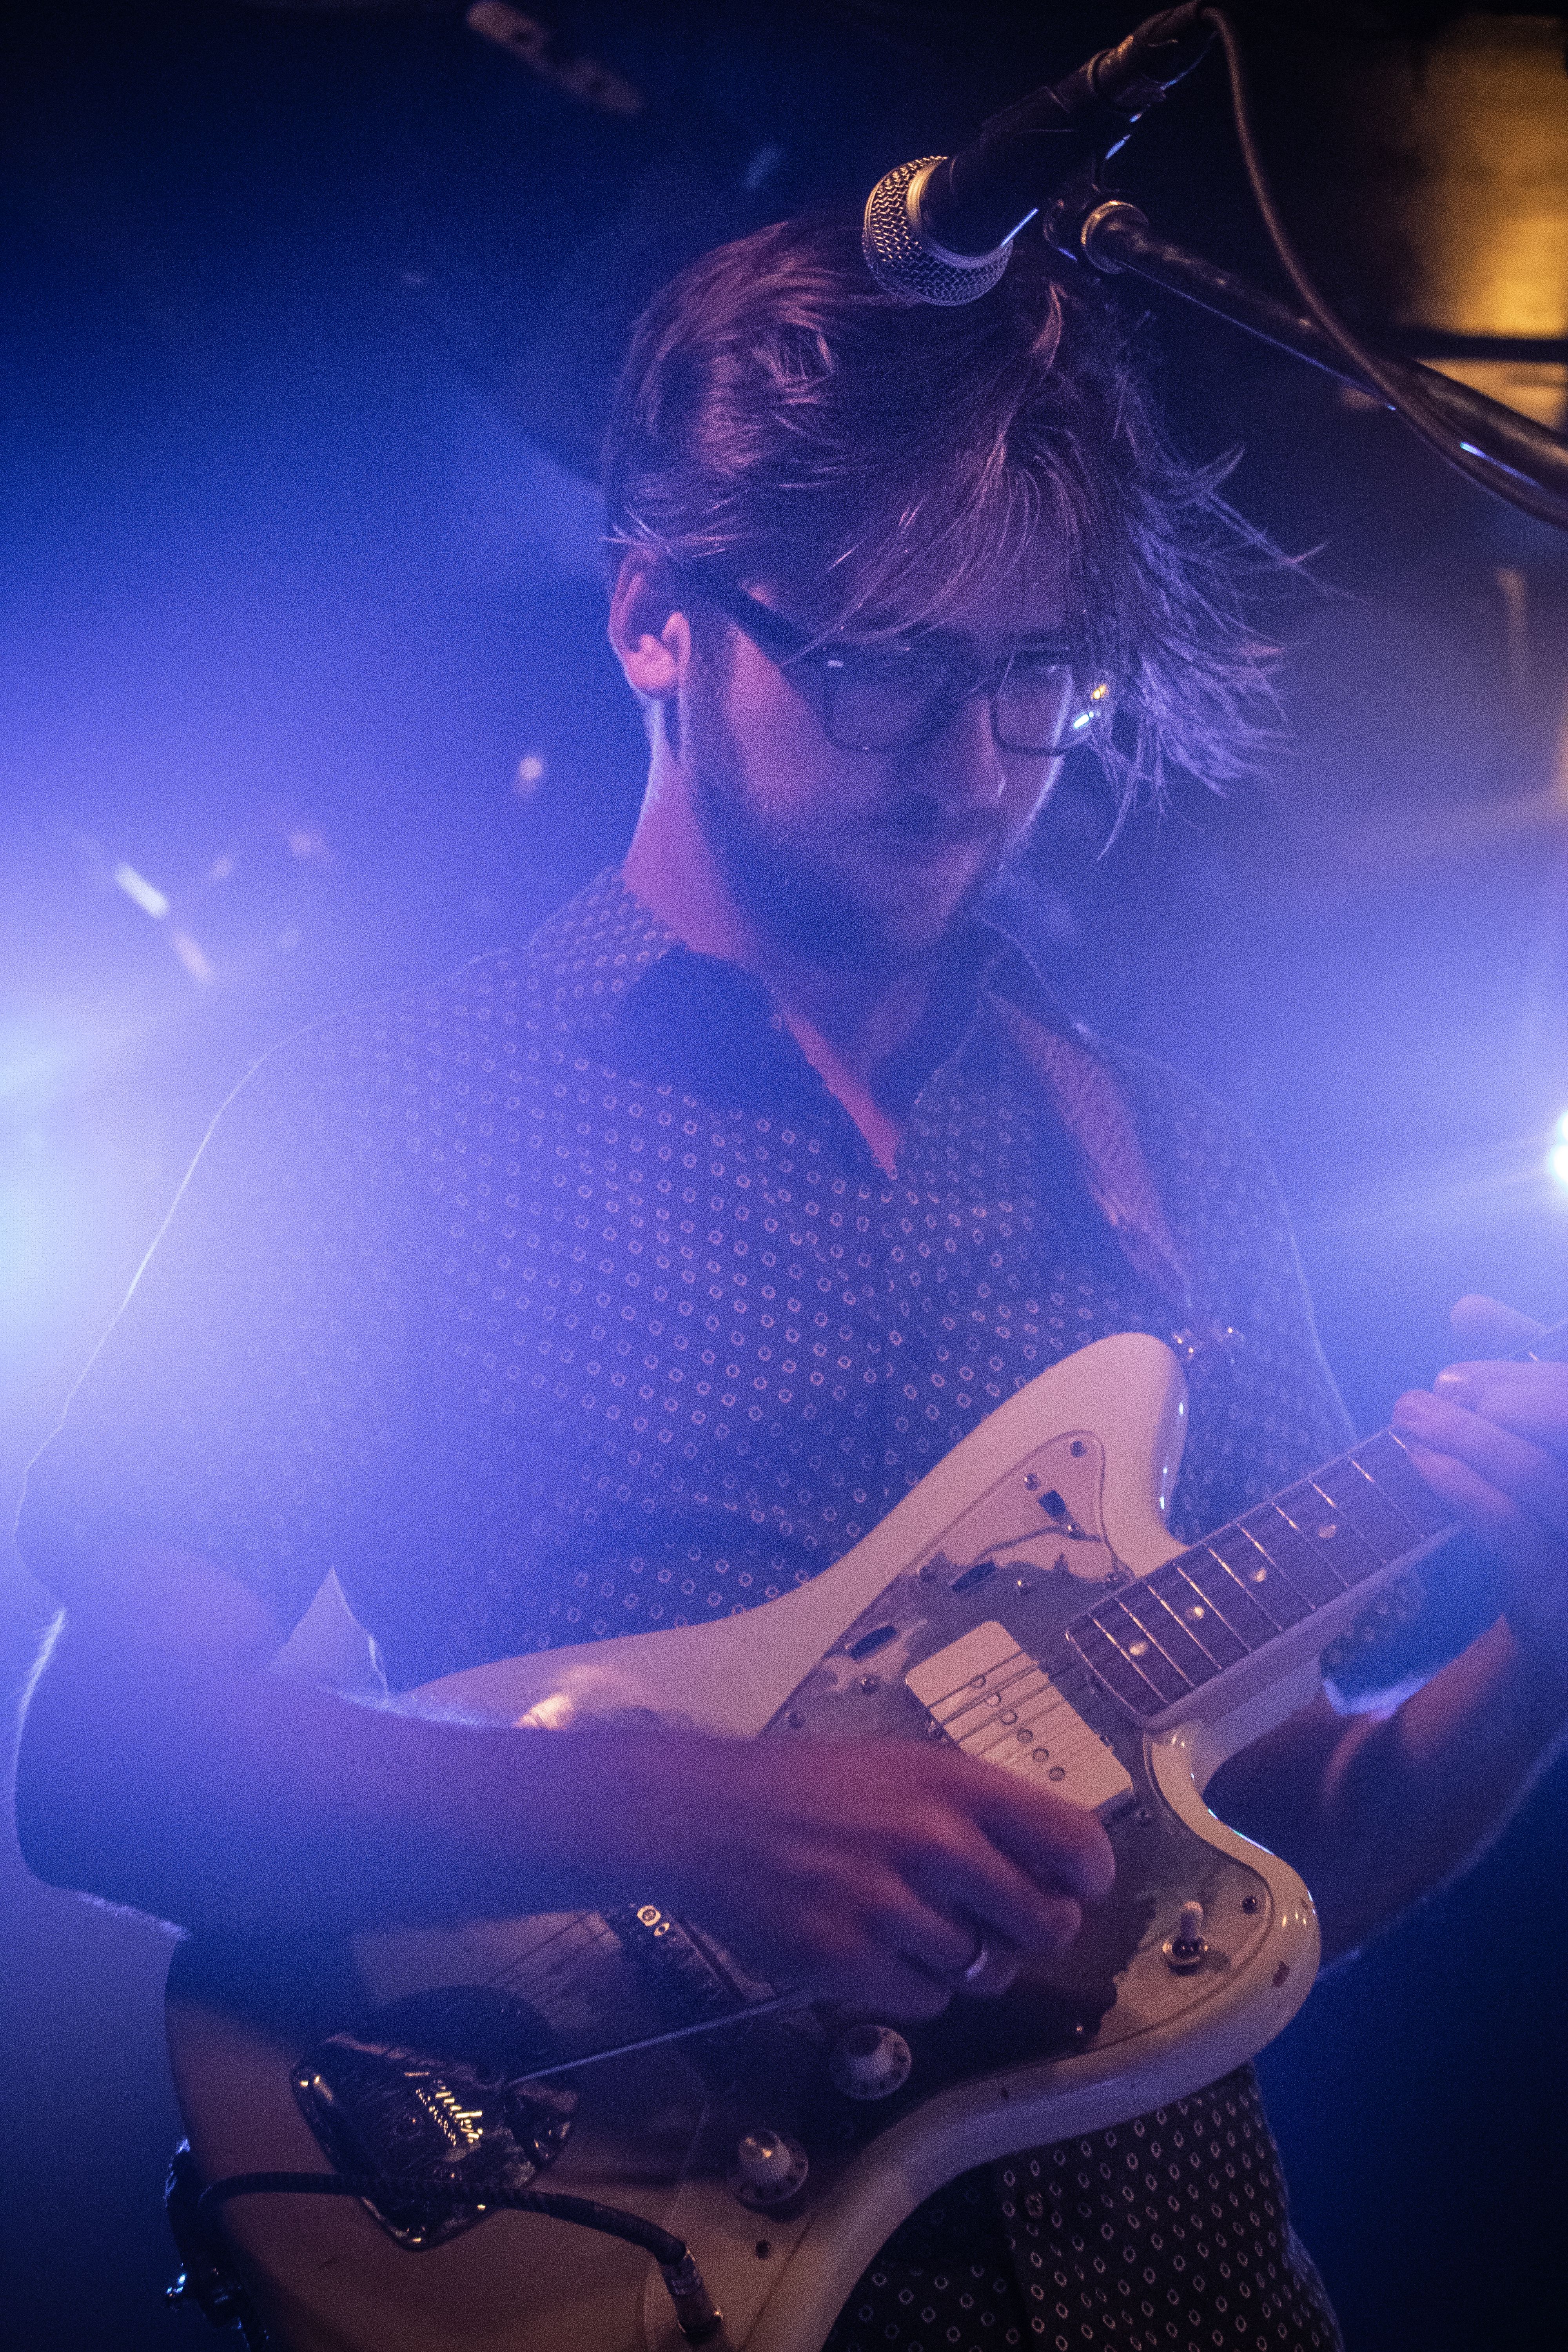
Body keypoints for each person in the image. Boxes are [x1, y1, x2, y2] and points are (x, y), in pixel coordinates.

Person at [13, 214, 1568, 2352]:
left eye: (1035, 674)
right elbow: (103, 1761)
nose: (970, 759)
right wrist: (700, 1816)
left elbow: (1291, 1855)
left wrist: (1543, 1646)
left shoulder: (1173, 1154)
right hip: (630, 2260)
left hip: (1180, 2291)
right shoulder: (377, 1113)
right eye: (880, 658)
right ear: (659, 616)